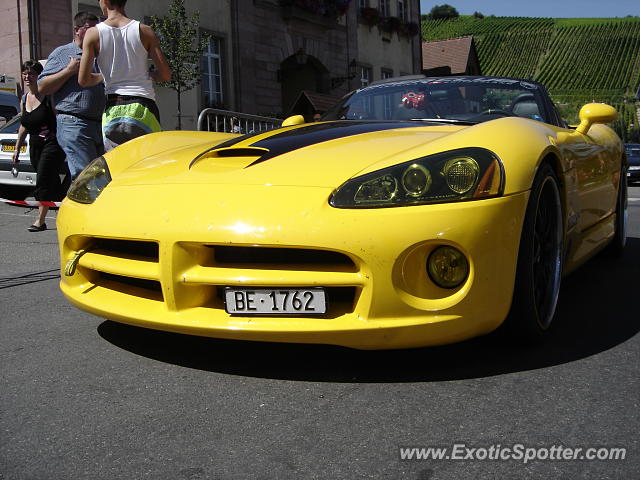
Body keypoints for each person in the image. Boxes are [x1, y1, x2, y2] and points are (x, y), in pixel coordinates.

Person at [79, 0, 171, 151]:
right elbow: (166, 75)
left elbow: (83, 80)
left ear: (105, 1)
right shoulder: (145, 30)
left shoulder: (93, 33)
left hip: (114, 106)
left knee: (118, 165)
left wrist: (106, 75)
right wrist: (148, 74)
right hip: (144, 105)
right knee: (148, 163)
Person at [38, 12, 105, 180]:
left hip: (99, 123)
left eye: (97, 29)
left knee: (100, 177)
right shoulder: (63, 53)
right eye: (90, 28)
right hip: (74, 123)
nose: (95, 33)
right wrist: (68, 71)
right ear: (77, 30)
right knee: (86, 177)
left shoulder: (100, 55)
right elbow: (43, 86)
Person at [12, 61, 66, 232]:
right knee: (53, 182)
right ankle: (65, 215)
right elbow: (24, 125)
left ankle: (40, 221)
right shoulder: (24, 98)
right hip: (34, 145)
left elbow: (60, 120)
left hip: (52, 143)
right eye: (25, 73)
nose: (27, 77)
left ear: (39, 76)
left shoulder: (48, 96)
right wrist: (17, 149)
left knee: (43, 179)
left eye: (32, 74)